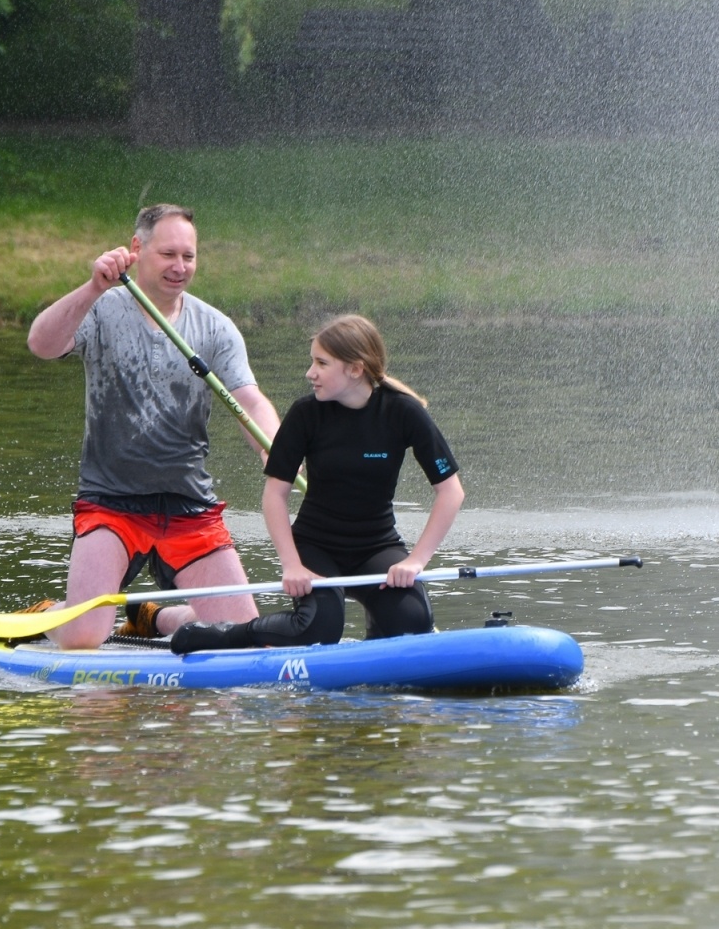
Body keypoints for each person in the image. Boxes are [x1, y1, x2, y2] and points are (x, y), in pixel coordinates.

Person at [24, 203, 282, 650]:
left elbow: (250, 400)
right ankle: (51, 614)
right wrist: (91, 287)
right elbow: (41, 345)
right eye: (168, 255)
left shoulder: (215, 327)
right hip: (112, 503)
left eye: (189, 256)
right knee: (85, 637)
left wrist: (275, 451)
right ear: (137, 248)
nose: (180, 267)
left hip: (188, 505)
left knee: (241, 639)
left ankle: (156, 617)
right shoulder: (102, 309)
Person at [171, 314, 465, 654]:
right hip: (315, 548)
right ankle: (221, 636)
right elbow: (275, 495)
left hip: (377, 546)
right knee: (321, 629)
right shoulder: (306, 414)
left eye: (321, 363)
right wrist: (291, 564)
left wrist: (415, 561)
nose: (310, 373)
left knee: (413, 623)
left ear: (355, 369)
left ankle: (379, 638)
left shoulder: (404, 412)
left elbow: (450, 492)